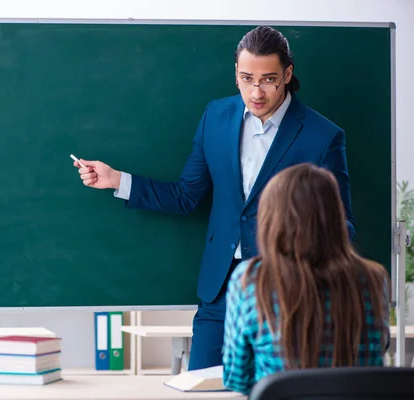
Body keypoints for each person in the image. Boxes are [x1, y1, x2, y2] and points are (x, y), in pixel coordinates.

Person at [72, 25, 355, 369]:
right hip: (220, 291)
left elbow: (342, 226)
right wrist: (117, 180)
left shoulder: (322, 136)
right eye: (246, 78)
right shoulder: (216, 118)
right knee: (201, 388)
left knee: (275, 391)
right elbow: (186, 195)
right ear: (235, 73)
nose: (256, 91)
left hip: (287, 293)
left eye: (268, 79)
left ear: (287, 75)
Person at [222, 163, 389, 395]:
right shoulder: (373, 279)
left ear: (272, 218)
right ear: (335, 217)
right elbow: (377, 353)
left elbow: (236, 378)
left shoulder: (251, 280)